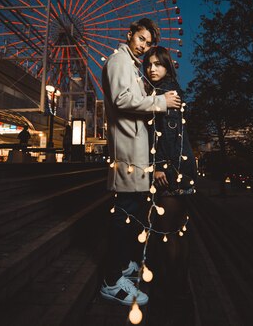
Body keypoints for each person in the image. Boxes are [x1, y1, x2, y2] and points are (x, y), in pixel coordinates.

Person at [99, 18, 182, 306]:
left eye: (148, 42)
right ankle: (111, 281)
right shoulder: (119, 62)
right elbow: (123, 100)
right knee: (123, 217)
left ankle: (121, 266)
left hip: (135, 152)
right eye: (141, 38)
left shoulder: (131, 65)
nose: (143, 45)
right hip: (128, 153)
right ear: (130, 34)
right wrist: (160, 102)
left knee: (129, 214)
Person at [143, 46, 197, 321]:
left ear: (167, 67)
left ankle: (174, 290)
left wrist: (161, 165)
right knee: (177, 231)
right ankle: (180, 287)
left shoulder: (167, 93)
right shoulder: (167, 90)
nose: (153, 69)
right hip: (182, 168)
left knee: (167, 234)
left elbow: (170, 135)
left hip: (172, 170)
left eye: (158, 64)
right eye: (149, 64)